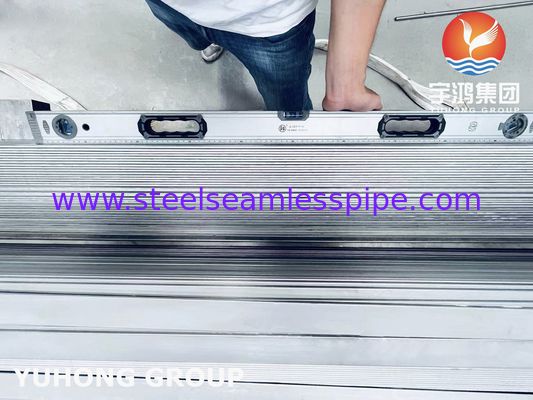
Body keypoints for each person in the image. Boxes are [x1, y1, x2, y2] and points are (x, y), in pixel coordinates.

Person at [145, 0, 385, 112]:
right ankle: (209, 40)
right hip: (170, 7)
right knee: (196, 39)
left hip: (269, 24)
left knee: (287, 110)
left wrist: (345, 86)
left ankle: (291, 148)